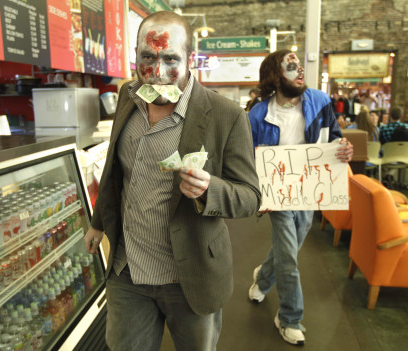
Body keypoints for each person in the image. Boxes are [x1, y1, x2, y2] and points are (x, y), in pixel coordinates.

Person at [84, 11, 261, 351]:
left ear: (190, 59)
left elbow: (250, 196)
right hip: (128, 271)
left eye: (171, 59)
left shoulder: (226, 115)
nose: (158, 73)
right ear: (135, 55)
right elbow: (115, 171)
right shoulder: (128, 97)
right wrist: (98, 223)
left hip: (190, 275)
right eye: (147, 58)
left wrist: (210, 189)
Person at [247, 50, 353, 346]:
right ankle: (289, 317)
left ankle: (263, 277)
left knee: (286, 251)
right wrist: (259, 192)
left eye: (299, 65)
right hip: (278, 196)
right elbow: (248, 159)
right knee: (290, 258)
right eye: (291, 66)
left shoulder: (320, 101)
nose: (300, 71)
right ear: (274, 76)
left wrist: (343, 147)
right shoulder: (257, 115)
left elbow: (334, 138)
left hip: (310, 191)